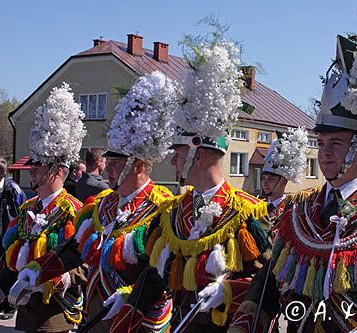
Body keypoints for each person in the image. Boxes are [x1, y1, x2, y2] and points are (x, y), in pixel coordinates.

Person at [229, 25, 357, 333]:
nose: (325, 154)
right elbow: (270, 281)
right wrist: (248, 317)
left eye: (337, 144)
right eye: (323, 144)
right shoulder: (298, 208)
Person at [109, 38, 270, 333]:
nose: (172, 162)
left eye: (178, 154)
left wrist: (229, 291)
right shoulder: (172, 212)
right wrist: (131, 302)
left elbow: (267, 283)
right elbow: (156, 273)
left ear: (200, 154)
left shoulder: (247, 211)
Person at [13, 71, 179, 333]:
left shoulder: (163, 208)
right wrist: (38, 270)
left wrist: (130, 296)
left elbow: (164, 270)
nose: (107, 170)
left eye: (114, 164)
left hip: (138, 320)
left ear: (136, 167)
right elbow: (75, 249)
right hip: (96, 318)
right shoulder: (102, 206)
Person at [0, 83, 87, 332]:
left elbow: (86, 261)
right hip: (25, 315)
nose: (32, 171)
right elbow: (13, 255)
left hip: (53, 316)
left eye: (39, 166)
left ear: (56, 170)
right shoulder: (27, 208)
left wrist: (59, 277)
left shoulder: (74, 210)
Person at [0, 156, 27, 320]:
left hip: (6, 240)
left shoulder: (13, 190)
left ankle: (9, 306)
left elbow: (24, 214)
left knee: (8, 270)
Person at [260, 128, 309, 234]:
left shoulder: (293, 208)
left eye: (271, 179)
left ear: (283, 181)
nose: (265, 183)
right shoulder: (256, 206)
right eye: (263, 178)